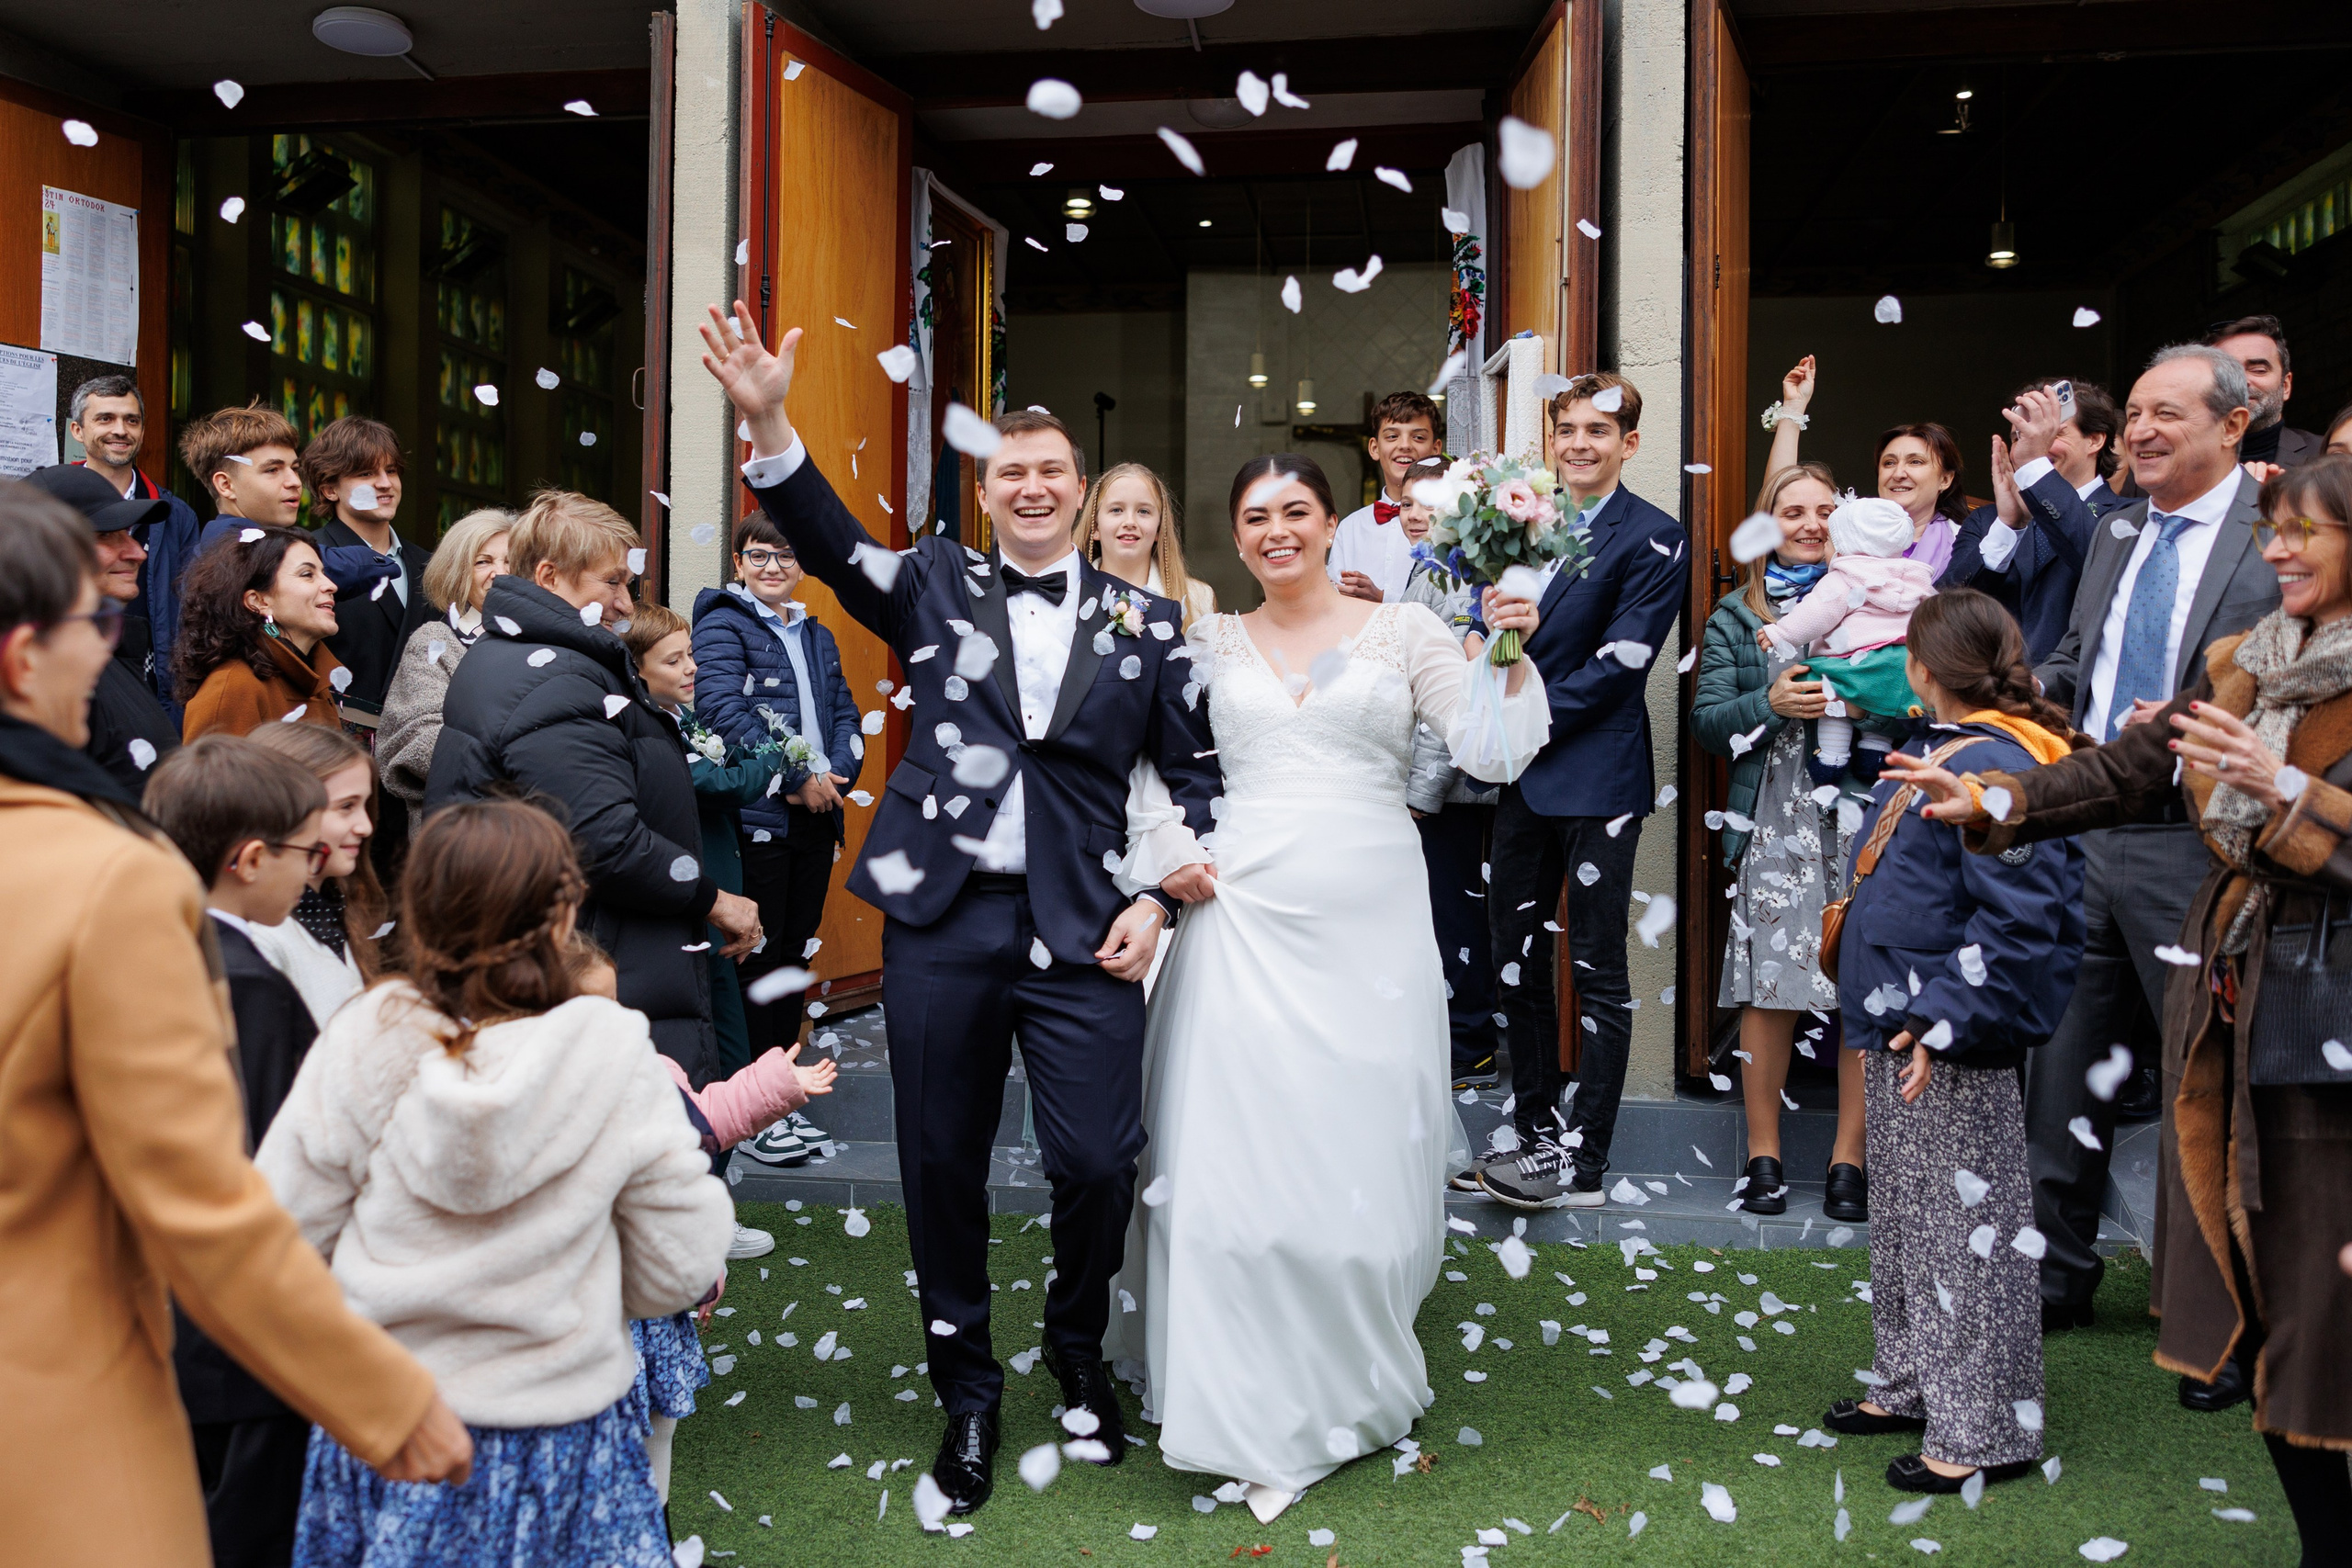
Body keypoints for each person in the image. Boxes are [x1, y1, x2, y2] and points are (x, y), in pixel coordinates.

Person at [705, 299, 1220, 1517]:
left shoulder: (1151, 622)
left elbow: (1194, 780)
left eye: (1052, 471)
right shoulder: (932, 579)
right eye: (1011, 473)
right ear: (985, 492)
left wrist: (1161, 898)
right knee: (942, 1159)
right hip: (943, 919)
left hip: (1087, 924)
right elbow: (827, 540)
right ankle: (968, 1386)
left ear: (1082, 490)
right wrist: (770, 418)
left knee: (1100, 1156)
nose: (1032, 488)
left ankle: (1079, 1341)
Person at [1884, 457, 2352, 1557]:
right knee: (2285, 1307)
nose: (2275, 549)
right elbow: (2125, 770)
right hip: (2252, 1017)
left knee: (2334, 1318)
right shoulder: (2245, 665)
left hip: (2340, 1030)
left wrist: (2287, 792)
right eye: (2273, 529)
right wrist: (1996, 794)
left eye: (2304, 533)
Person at [0, 484, 470, 1565]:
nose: (113, 653)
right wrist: (383, 1397)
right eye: (97, 625)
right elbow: (198, 1200)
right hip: (54, 1397)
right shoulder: (105, 881)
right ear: (26, 656)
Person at [1102, 453, 1548, 1520]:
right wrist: (1165, 851)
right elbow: (1150, 771)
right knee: (1227, 1159)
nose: (1275, 531)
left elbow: (1491, 756)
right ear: (1234, 534)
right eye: (1253, 516)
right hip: (1238, 912)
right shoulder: (1203, 642)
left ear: (1332, 523)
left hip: (1368, 925)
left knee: (1351, 1151)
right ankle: (1237, 1391)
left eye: (1295, 511)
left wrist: (1510, 648)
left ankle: (1342, 1373)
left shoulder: (1405, 631)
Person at [255, 799, 735, 1567]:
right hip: (568, 1435)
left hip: (393, 1418)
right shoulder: (609, 1049)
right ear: (564, 912)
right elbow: (676, 1266)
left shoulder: (369, 1031)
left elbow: (279, 1234)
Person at [2025, 343, 2282, 1355]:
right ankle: (2052, 1278)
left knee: (2195, 1078)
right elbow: (2073, 661)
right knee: (2063, 1062)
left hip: (2198, 840)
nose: (2138, 430)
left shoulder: (2278, 533)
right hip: (2086, 827)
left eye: (2164, 413)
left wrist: (2185, 727)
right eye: (2131, 412)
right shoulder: (2116, 530)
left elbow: (2285, 680)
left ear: (2234, 425)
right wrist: (2014, 699)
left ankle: (2206, 1311)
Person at [1821, 588, 2086, 1495]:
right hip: (1900, 1022)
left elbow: (2020, 922)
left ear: (1923, 667)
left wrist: (1944, 1018)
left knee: (1968, 1234)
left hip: (1944, 1032)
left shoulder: (2004, 768)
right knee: (1905, 1226)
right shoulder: (1951, 751)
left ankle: (1981, 1432)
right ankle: (1907, 1386)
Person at [426, 491, 763, 1089]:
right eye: (611, 583)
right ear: (549, 575)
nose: (626, 605)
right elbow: (604, 838)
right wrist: (714, 900)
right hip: (594, 961)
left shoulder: (534, 656)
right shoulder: (553, 676)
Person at [1474, 374, 1690, 1211]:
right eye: (1567, 428)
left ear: (1629, 443)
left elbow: (1618, 667)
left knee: (1594, 967)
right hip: (1523, 778)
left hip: (1597, 776)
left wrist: (1509, 717)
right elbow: (1494, 627)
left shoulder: (1655, 537)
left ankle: (1587, 1162)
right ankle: (1530, 1140)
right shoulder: (1525, 523)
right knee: (1515, 960)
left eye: (1599, 430)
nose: (1580, 443)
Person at [144, 736, 335, 1568]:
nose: (314, 869)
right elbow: (267, 1168)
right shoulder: (247, 983)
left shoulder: (149, 946)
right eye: (305, 851)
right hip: (240, 1347)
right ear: (251, 859)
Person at [1692, 462, 1871, 1221]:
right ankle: (1762, 1155)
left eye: (1825, 510)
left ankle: (1849, 1161)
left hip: (1864, 813)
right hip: (1774, 809)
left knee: (1865, 980)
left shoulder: (1880, 600)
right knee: (1772, 985)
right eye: (1792, 510)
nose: (1810, 523)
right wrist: (1764, 702)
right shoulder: (1738, 614)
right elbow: (1703, 723)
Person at [690, 512, 864, 1074]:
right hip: (759, 821)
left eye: (785, 555)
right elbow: (722, 710)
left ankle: (783, 1084)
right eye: (759, 555)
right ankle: (753, 1093)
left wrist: (833, 780)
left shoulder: (817, 633)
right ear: (738, 563)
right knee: (756, 955)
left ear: (802, 564)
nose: (773, 566)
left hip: (816, 819)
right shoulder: (721, 625)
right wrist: (796, 779)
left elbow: (844, 714)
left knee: (792, 955)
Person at [624, 603, 783, 1083]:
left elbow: (722, 756)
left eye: (690, 654)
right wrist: (772, 757)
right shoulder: (647, 727)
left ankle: (731, 1132)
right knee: (711, 1049)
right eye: (673, 661)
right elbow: (718, 784)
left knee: (728, 1040)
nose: (692, 667)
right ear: (638, 669)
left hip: (717, 899)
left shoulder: (683, 718)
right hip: (693, 904)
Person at [1398, 456, 1505, 1089]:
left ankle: (1471, 1045)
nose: (1415, 512)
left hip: (1452, 784)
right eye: (1408, 501)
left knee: (1456, 911)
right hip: (1440, 780)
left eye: (1430, 502)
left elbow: (1449, 694)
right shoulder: (1426, 563)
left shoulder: (1458, 574)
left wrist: (1421, 790)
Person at [19, 463, 178, 793]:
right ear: (46, 549)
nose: (137, 553)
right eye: (107, 535)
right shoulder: (38, 676)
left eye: (129, 533)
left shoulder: (113, 650)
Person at [1944, 379, 2126, 664]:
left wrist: (2036, 474)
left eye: (2050, 433)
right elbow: (1945, 608)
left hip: (2072, 696)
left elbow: (2098, 561)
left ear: (2095, 440)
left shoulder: (2127, 517)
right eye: (2020, 437)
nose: (2029, 447)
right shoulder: (1988, 521)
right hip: (1989, 694)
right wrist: (2008, 526)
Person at [1759, 494, 1935, 783]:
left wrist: (1780, 632)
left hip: (1857, 663)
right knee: (1882, 698)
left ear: (1848, 546)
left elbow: (1816, 614)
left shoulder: (1845, 577)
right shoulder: (1915, 577)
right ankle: (1876, 749)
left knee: (1828, 688)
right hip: (1902, 666)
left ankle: (1832, 756)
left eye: (1830, 540)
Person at [66, 373, 204, 716]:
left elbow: (192, 608)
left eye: (132, 420)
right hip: (70, 681)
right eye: (105, 419)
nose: (121, 430)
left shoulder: (175, 515)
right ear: (77, 431)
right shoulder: (51, 507)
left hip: (153, 692)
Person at [1760, 355, 1968, 576]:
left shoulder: (1964, 542)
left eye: (1915, 462)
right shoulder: (1850, 526)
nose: (1898, 473)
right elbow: (1780, 492)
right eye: (1889, 463)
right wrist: (1794, 406)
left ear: (1945, 479)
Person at [181, 403, 396, 602]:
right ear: (225, 485)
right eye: (272, 470)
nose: (294, 482)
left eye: (294, 468)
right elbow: (348, 566)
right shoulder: (238, 550)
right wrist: (385, 559)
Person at [246, 722, 387, 1021]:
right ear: (284, 809)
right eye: (346, 807)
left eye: (365, 805)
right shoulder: (261, 940)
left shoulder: (333, 907)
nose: (366, 827)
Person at [377, 508, 512, 812]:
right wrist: (516, 762)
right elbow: (416, 744)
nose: (501, 573)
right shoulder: (435, 643)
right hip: (458, 832)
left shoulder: (545, 644)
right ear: (458, 573)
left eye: (511, 562)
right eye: (483, 562)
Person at [176, 525, 349, 739]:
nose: (331, 585)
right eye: (307, 574)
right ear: (258, 601)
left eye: (323, 573)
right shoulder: (232, 688)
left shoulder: (316, 681)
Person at [1329, 391, 1442, 603]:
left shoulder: (1450, 523)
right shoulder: (1350, 528)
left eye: (1418, 437)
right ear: (1374, 448)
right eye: (1392, 436)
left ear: (1436, 449)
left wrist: (1383, 598)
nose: (1405, 445)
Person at [1075, 461, 1218, 626]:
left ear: (1159, 529)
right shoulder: (1071, 592)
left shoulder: (1197, 597)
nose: (1129, 522)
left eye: (1144, 511)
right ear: (1095, 527)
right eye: (1116, 510)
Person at [2205, 313, 2323, 469]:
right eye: (2228, 372)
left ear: (2285, 386)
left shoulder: (2325, 453)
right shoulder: (2183, 461)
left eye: (2258, 370)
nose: (2242, 380)